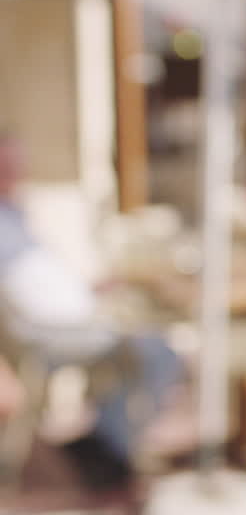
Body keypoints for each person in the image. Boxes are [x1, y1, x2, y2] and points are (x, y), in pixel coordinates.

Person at [0, 132, 184, 488]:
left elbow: (43, 283)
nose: (16, 173)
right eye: (7, 167)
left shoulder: (16, 214)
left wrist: (93, 288)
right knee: (153, 350)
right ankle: (111, 452)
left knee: (149, 343)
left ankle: (108, 445)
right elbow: (29, 298)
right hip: (50, 332)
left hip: (77, 317)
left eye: (17, 165)